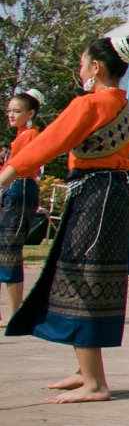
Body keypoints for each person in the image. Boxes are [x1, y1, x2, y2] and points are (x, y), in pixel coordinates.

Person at [1, 35, 129, 404]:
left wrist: (4, 178)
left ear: (96, 67)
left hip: (94, 195)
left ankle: (96, 382)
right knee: (92, 276)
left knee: (80, 277)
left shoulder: (90, 104)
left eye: (82, 63)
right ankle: (85, 372)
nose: (80, 69)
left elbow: (48, 144)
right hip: (116, 199)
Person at [0, 87, 45, 318]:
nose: (11, 115)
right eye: (10, 111)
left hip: (21, 188)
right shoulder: (20, 136)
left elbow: (24, 166)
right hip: (11, 190)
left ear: (30, 114)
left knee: (9, 249)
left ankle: (14, 313)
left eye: (17, 111)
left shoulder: (31, 136)